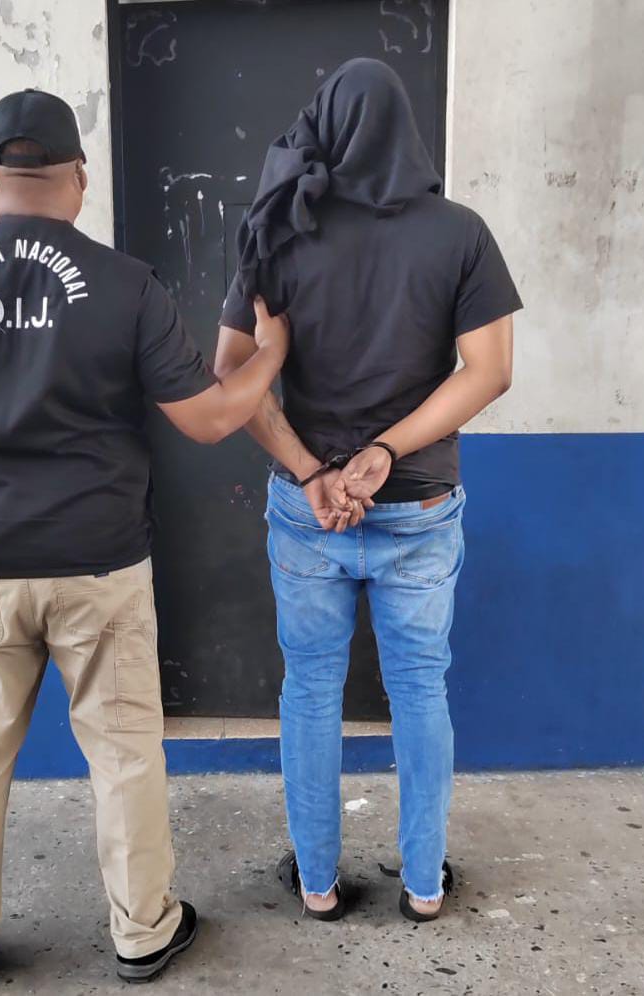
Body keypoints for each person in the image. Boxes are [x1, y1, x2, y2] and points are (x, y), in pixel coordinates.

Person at [0, 89, 288, 991]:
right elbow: (209, 419)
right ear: (80, 178)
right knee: (124, 751)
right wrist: (273, 355)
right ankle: (142, 931)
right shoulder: (127, 286)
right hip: (100, 564)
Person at [214, 59, 521, 922]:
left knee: (310, 688)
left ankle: (316, 884)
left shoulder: (277, 229)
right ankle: (423, 885)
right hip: (417, 503)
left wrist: (313, 471)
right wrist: (384, 452)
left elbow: (229, 375)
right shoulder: (460, 233)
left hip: (306, 508)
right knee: (420, 688)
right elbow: (489, 371)